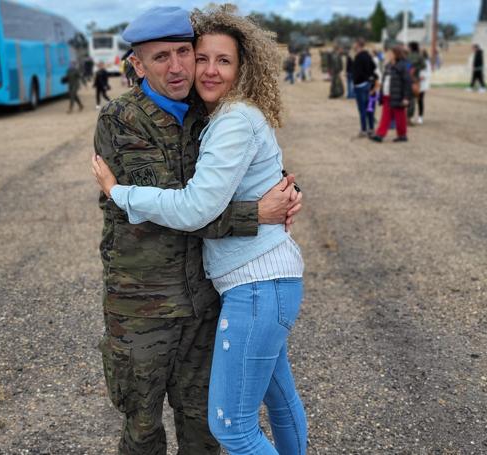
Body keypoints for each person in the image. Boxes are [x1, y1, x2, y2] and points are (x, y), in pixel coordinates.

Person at [93, 7, 307, 454]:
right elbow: (176, 206)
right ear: (137, 65)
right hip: (144, 305)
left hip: (207, 299)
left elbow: (251, 166)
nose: (177, 67)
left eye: (183, 53)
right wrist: (257, 213)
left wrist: (287, 190)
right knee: (143, 428)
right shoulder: (122, 119)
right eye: (159, 57)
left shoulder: (210, 107)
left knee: (204, 432)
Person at [370, 46, 412, 143]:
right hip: (386, 95)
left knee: (400, 117)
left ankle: (402, 135)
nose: (388, 55)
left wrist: (406, 98)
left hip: (397, 96)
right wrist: (381, 93)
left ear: (396, 54)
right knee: (385, 116)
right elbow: (385, 80)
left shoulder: (402, 66)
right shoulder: (388, 65)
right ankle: (380, 135)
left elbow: (407, 82)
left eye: (390, 53)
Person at [352, 38, 378, 137]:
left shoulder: (358, 57)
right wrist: (370, 78)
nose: (353, 46)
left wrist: (358, 79)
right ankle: (371, 129)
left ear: (358, 45)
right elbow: (374, 67)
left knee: (362, 109)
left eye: (354, 44)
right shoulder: (368, 55)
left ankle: (363, 130)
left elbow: (358, 73)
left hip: (360, 86)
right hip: (370, 85)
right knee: (370, 108)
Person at [415, 49, 431, 125]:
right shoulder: (416, 62)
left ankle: (420, 116)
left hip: (422, 84)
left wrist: (423, 77)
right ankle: (410, 116)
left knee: (420, 100)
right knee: (412, 100)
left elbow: (428, 73)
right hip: (415, 82)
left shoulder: (427, 63)